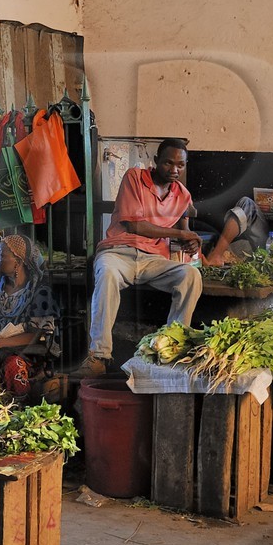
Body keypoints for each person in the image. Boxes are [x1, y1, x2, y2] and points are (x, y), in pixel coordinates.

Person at [81, 140, 202, 375]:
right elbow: (135, 225)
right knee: (106, 273)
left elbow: (183, 232)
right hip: (118, 254)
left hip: (153, 260)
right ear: (156, 161)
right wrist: (180, 233)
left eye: (181, 165)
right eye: (168, 162)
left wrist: (190, 242)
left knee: (191, 275)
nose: (175, 170)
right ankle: (98, 356)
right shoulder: (134, 177)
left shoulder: (183, 196)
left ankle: (171, 347)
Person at [0, 234, 60, 397]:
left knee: (12, 365)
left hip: (25, 354)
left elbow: (36, 335)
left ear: (18, 262)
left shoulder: (39, 293)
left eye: (1, 255)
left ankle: (19, 406)